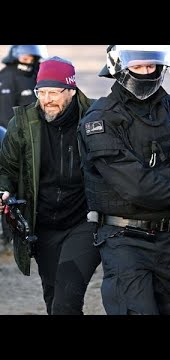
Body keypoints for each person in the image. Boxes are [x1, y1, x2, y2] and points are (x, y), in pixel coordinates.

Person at [78, 45, 170, 315]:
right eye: (138, 67)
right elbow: (135, 185)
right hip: (125, 240)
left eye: (151, 66)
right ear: (119, 68)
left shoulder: (167, 106)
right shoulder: (100, 119)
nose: (146, 73)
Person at [0, 56, 101, 315]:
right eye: (41, 92)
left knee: (66, 302)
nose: (47, 99)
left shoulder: (94, 119)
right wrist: (4, 189)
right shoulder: (22, 124)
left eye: (54, 92)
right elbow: (6, 169)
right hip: (42, 226)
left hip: (84, 221)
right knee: (53, 299)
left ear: (71, 90)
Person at [0, 45, 48, 247]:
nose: (29, 58)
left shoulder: (39, 73)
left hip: (38, 138)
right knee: (8, 187)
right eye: (25, 55)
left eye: (32, 55)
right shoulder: (6, 76)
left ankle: (35, 226)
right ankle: (9, 234)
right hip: (11, 140)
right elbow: (4, 113)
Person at [0, 45, 48, 128]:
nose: (29, 62)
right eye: (25, 59)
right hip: (19, 130)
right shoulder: (7, 77)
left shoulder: (37, 72)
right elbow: (5, 114)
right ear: (15, 57)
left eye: (32, 59)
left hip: (39, 127)